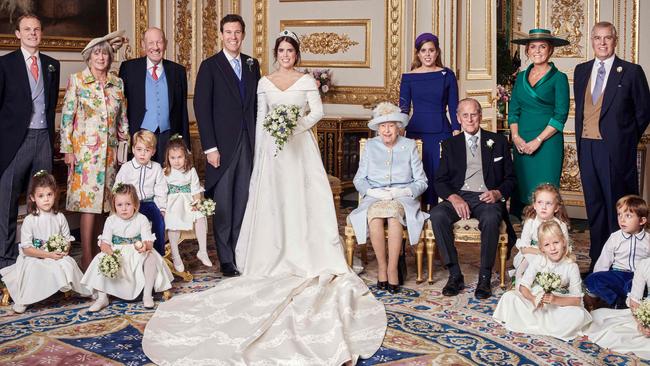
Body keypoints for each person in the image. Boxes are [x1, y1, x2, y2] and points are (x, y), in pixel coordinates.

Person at [142, 30, 387, 365]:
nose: (286, 55)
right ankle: (271, 253)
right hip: (272, 152)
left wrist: (294, 125)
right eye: (281, 50)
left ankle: (303, 251)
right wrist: (261, 152)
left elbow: (316, 113)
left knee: (302, 202)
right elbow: (259, 120)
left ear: (296, 55)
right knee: (272, 204)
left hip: (300, 150)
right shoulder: (265, 81)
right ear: (276, 53)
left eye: (290, 51)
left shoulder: (306, 82)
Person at [574, 21, 650, 272]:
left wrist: (624, 140)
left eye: (607, 38)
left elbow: (643, 112)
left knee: (616, 209)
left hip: (615, 151)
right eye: (597, 38)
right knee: (594, 208)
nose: (602, 43)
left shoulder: (631, 71)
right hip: (587, 148)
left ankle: (620, 266)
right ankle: (598, 264)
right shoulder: (581, 70)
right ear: (592, 41)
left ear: (615, 41)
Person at [193, 14, 260, 277]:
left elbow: (257, 105)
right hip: (221, 146)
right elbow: (201, 107)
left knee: (243, 201)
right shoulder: (210, 66)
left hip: (248, 142)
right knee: (223, 205)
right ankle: (226, 260)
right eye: (228, 32)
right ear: (221, 35)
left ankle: (240, 253)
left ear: (243, 35)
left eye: (237, 32)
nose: (233, 37)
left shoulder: (253, 65)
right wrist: (210, 147)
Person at [429, 98, 516, 299]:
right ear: (458, 118)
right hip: (459, 196)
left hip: (486, 197)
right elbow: (440, 180)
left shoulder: (499, 141)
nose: (470, 119)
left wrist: (497, 193)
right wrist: (454, 198)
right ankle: (455, 274)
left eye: (474, 114)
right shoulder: (450, 144)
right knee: (437, 215)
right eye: (465, 115)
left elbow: (511, 179)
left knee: (492, 218)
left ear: (480, 116)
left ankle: (484, 277)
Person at [60, 30, 130, 269]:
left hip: (110, 155)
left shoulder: (116, 82)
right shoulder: (78, 80)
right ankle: (87, 259)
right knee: (88, 206)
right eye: (97, 53)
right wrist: (67, 150)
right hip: (85, 155)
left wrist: (124, 147)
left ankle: (101, 255)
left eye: (105, 54)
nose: (101, 58)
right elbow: (67, 117)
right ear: (89, 57)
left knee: (104, 206)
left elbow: (122, 119)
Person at [348, 102, 429, 293]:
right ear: (377, 128)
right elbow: (359, 179)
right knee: (374, 217)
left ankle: (392, 269)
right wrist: (373, 192)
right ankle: (382, 267)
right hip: (375, 196)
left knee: (393, 216)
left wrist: (401, 192)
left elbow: (422, 182)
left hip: (402, 197)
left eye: (391, 125)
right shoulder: (370, 146)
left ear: (398, 127)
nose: (387, 130)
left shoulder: (409, 146)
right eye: (382, 126)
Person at [0, 14, 60, 269]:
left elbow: (51, 104)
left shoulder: (51, 64)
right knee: (7, 199)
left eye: (36, 29)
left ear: (41, 33)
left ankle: (44, 259)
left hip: (43, 137)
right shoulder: (5, 64)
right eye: (27, 29)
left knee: (44, 199)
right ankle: (5, 260)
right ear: (17, 34)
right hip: (15, 140)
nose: (32, 33)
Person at [0, 171, 91, 313]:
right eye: (41, 196)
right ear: (33, 198)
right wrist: (48, 255)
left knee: (68, 263)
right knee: (33, 268)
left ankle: (84, 291)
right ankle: (24, 299)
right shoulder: (30, 220)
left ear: (55, 194)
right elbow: (26, 249)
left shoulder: (59, 217)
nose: (46, 199)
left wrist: (64, 250)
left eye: (49, 195)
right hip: (35, 255)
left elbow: (67, 239)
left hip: (55, 254)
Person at [493, 220, 592, 341]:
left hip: (559, 305)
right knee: (509, 297)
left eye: (556, 242)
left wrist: (556, 300)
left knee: (578, 315)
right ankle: (542, 323)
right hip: (537, 301)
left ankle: (539, 324)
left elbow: (577, 300)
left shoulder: (571, 266)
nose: (553, 248)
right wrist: (533, 298)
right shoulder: (538, 260)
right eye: (547, 245)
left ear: (564, 242)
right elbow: (523, 286)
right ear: (541, 248)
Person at [82, 183, 173, 312]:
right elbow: (104, 243)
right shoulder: (111, 221)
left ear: (135, 204)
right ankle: (102, 297)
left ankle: (147, 294)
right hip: (117, 252)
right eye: (120, 205)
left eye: (128, 204)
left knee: (151, 258)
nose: (124, 208)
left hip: (136, 253)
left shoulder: (142, 219)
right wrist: (110, 254)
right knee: (100, 258)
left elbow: (149, 241)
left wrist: (145, 247)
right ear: (114, 206)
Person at [508, 29, 570, 216]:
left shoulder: (559, 78)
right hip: (522, 142)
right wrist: (516, 137)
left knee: (546, 191)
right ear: (527, 50)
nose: (537, 51)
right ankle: (527, 236)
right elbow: (514, 111)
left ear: (550, 50)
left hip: (547, 143)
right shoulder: (520, 77)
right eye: (533, 47)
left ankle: (548, 237)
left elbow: (560, 116)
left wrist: (538, 140)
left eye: (542, 46)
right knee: (524, 189)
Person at [399, 32, 459, 206]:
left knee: (440, 171)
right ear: (418, 54)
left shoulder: (447, 75)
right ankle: (415, 209)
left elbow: (454, 106)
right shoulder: (408, 77)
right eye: (423, 50)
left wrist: (456, 131)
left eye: (431, 50)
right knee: (417, 170)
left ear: (437, 52)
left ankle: (440, 210)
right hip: (416, 131)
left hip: (442, 130)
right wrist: (400, 133)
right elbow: (404, 109)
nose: (427, 54)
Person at [119, 27, 190, 163]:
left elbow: (183, 111)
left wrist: (185, 144)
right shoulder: (128, 69)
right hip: (139, 136)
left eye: (159, 42)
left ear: (166, 44)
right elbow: (119, 104)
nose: (155, 47)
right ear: (143, 45)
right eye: (151, 43)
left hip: (168, 136)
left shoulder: (178, 71)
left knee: (167, 177)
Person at [584, 195, 650, 310]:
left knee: (635, 286)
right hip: (617, 275)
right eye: (619, 214)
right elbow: (604, 260)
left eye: (628, 216)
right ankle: (617, 302)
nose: (622, 219)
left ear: (642, 220)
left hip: (637, 278)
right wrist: (599, 277)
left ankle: (633, 301)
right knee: (591, 279)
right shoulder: (615, 238)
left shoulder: (647, 240)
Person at [163, 135, 212, 272]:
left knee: (200, 217)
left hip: (188, 201)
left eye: (179, 157)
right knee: (173, 222)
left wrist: (197, 203)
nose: (176, 161)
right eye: (173, 158)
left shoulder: (191, 171)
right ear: (168, 158)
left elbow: (196, 189)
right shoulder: (165, 172)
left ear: (186, 156)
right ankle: (175, 254)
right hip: (172, 203)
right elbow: (162, 192)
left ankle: (202, 251)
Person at [114, 130, 167, 256]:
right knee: (130, 223)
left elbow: (161, 189)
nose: (142, 154)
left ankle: (158, 254)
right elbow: (117, 187)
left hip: (149, 203)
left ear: (153, 152)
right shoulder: (126, 167)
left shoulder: (156, 168)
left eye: (147, 150)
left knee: (159, 221)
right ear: (133, 149)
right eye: (139, 149)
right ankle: (130, 252)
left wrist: (162, 208)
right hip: (131, 203)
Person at [587, 256, 650, 358]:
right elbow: (635, 300)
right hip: (646, 311)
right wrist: (642, 324)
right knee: (611, 330)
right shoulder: (644, 264)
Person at [512, 183, 570, 286]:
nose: (543, 207)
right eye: (540, 202)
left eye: (548, 203)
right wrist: (542, 252)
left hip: (554, 254)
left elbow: (565, 249)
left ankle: (548, 284)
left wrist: (550, 254)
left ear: (556, 207)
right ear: (534, 205)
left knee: (562, 269)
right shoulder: (530, 222)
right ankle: (520, 284)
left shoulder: (561, 225)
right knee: (527, 260)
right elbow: (524, 248)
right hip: (532, 253)